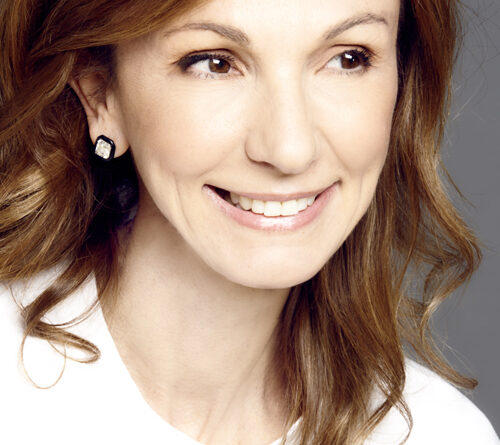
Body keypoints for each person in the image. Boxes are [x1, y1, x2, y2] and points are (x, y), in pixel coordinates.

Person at [0, 0, 498, 444]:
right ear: (101, 96)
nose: (289, 149)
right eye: (214, 63)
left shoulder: (443, 434)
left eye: (349, 58)